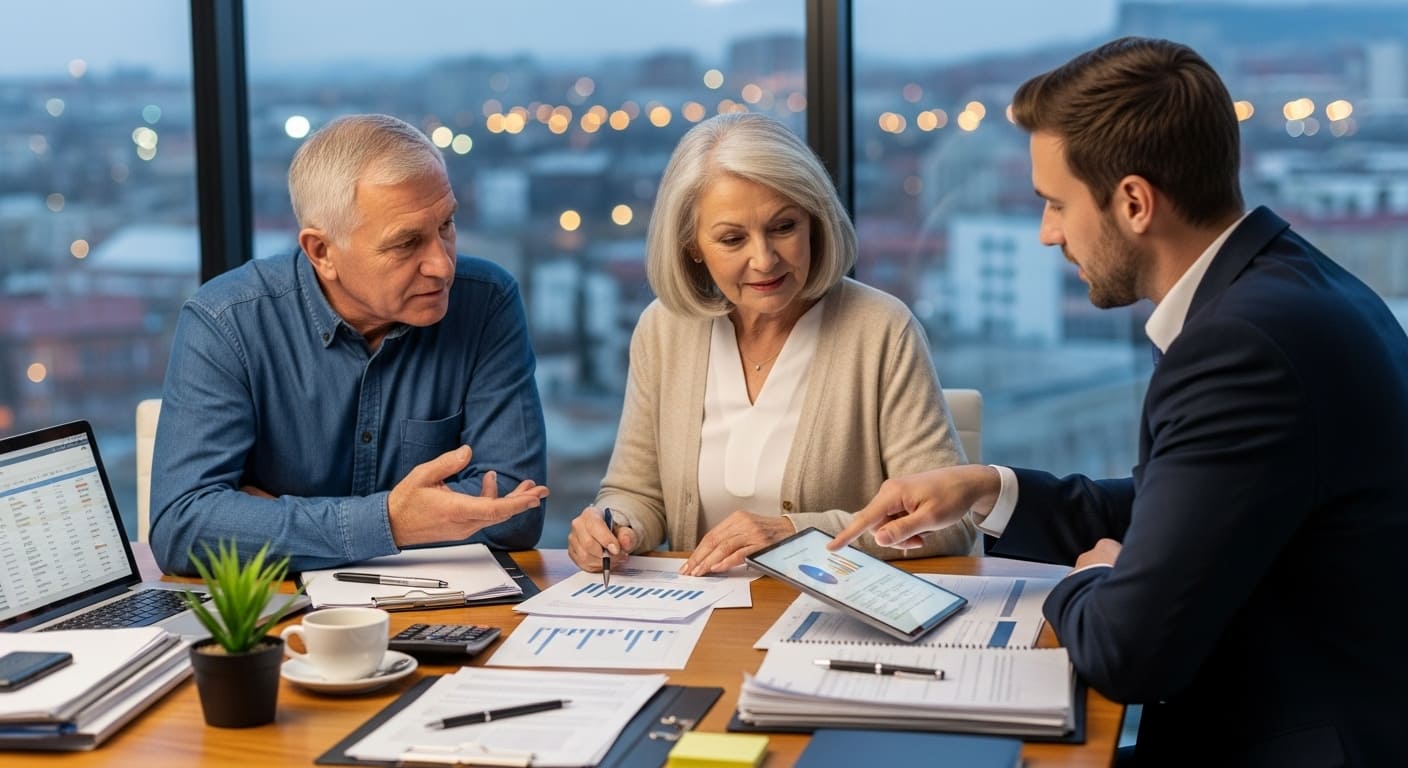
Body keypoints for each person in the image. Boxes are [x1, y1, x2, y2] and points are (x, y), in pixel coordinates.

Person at [830, 37, 1408, 766]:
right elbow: (1195, 505)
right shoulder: (1290, 287)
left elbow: (1128, 651)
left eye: (1055, 204)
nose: (1047, 233)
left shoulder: (1240, 347)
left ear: (1134, 202)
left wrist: (1092, 579)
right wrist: (990, 492)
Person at [567, 112, 978, 578]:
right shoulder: (664, 329)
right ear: (692, 245)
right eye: (732, 238)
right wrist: (615, 526)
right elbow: (637, 492)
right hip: (699, 622)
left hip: (831, 621)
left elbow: (951, 523)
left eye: (783, 227)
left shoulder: (881, 327)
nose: (764, 259)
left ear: (813, 221)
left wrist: (796, 535)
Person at [150, 114, 550, 575]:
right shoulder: (226, 321)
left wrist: (277, 519)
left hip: (445, 614)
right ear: (321, 251)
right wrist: (393, 522)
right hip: (282, 621)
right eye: (406, 244)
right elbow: (183, 528)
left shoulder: (486, 303)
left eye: (446, 225)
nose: (442, 266)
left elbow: (515, 511)